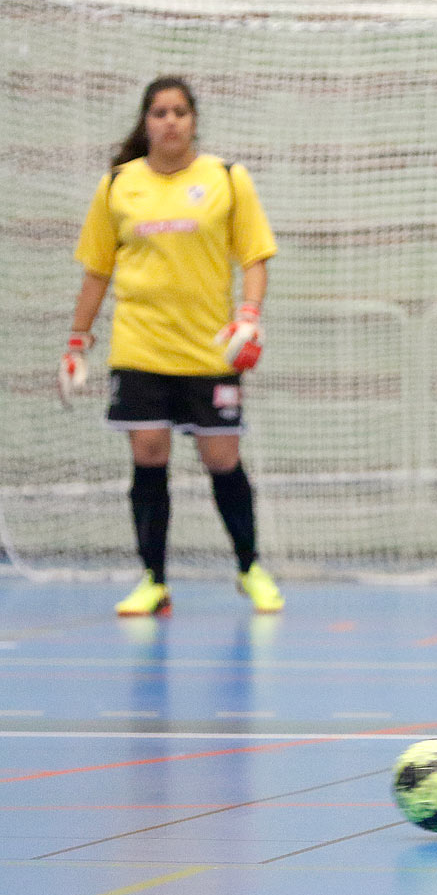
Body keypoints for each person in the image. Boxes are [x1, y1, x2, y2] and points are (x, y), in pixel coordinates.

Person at [59, 75, 284, 617]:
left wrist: (248, 318)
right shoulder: (118, 184)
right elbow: (97, 272)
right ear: (146, 122)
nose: (170, 121)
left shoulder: (227, 179)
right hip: (140, 349)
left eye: (180, 112)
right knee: (148, 456)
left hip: (210, 351)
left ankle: (250, 567)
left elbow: (254, 256)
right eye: (159, 112)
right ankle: (153, 580)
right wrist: (76, 341)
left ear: (194, 121)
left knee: (221, 458)